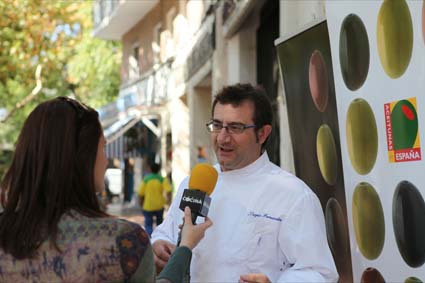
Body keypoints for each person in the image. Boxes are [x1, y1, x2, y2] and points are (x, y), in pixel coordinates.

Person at [0, 97, 212, 282]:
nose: (106, 157)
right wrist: (184, 247)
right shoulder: (123, 241)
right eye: (102, 147)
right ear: (84, 159)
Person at [151, 84, 338, 282]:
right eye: (217, 125)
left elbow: (319, 273)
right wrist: (160, 245)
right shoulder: (192, 183)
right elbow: (166, 233)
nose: (223, 138)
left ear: (263, 133)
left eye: (235, 127)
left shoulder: (294, 195)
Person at [138, 162, 172, 236]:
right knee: (159, 224)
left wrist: (140, 203)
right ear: (159, 169)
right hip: (159, 205)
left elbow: (140, 193)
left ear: (150, 169)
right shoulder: (162, 179)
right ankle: (158, 238)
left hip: (148, 205)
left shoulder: (146, 179)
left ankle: (149, 239)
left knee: (148, 224)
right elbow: (169, 191)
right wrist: (168, 201)